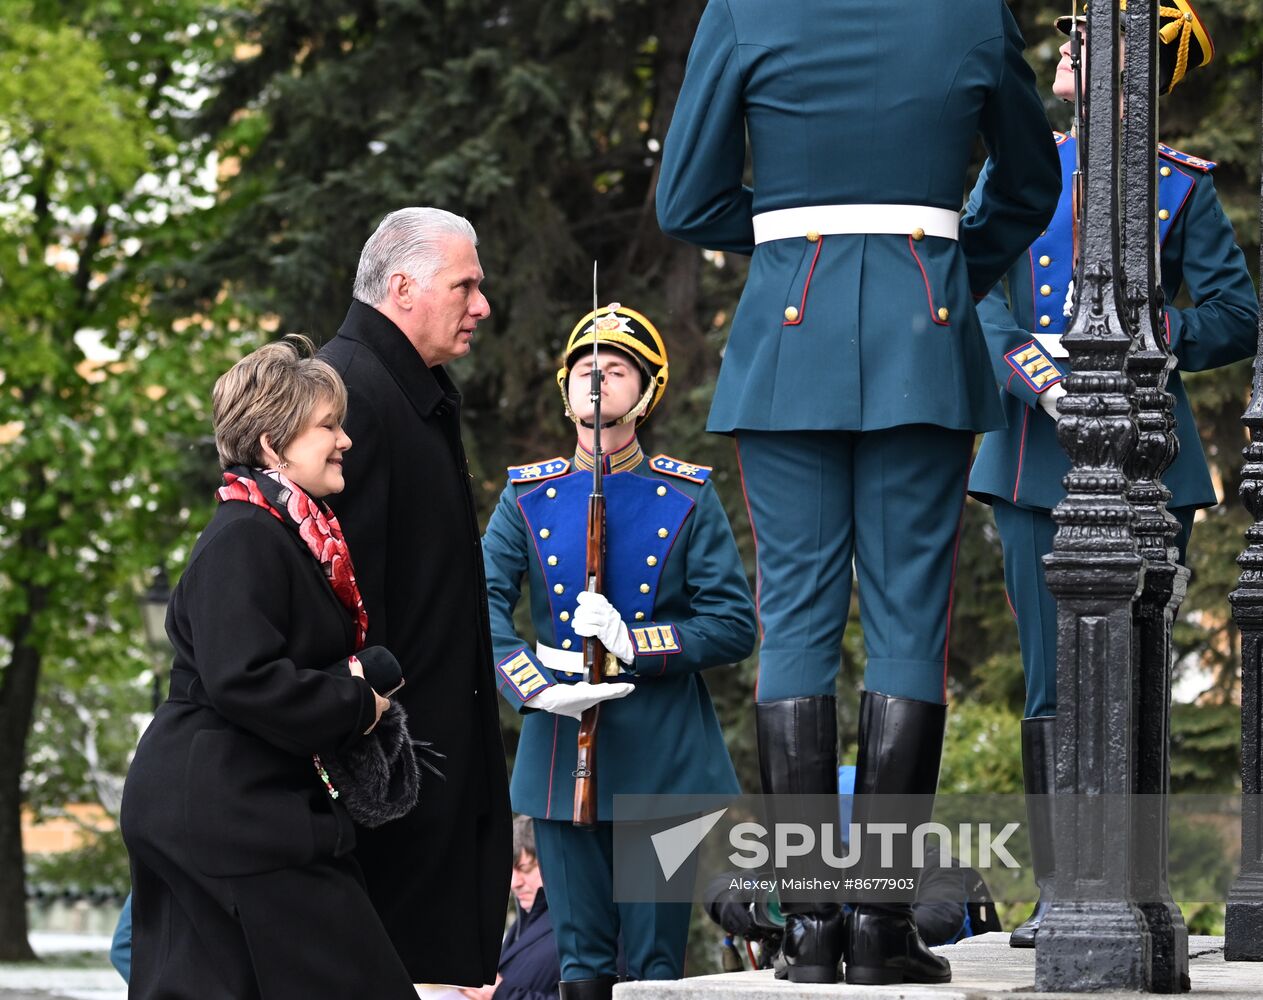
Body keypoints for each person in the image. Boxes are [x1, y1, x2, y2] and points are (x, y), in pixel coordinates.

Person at [655, 0, 1061, 986]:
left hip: (790, 335)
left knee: (794, 617)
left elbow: (686, 199)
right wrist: (947, 263)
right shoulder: (972, 15)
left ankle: (808, 929)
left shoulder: (745, 11)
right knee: (910, 623)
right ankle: (881, 926)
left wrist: (804, 242)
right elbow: (1031, 177)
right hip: (925, 323)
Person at [965, 0, 1258, 949]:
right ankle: (1060, 892)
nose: (1066, 46)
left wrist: (1149, 341)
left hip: (1142, 456)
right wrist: (1043, 378)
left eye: (1091, 38)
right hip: (1032, 452)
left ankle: (1134, 886)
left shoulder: (1181, 189)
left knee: (1132, 678)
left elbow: (1231, 312)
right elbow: (978, 297)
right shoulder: (1020, 170)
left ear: (1143, 68)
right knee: (1052, 680)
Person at [119, 336, 417, 999]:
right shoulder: (247, 535)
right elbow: (242, 677)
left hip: (231, 802)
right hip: (228, 811)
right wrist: (357, 703)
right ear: (271, 446)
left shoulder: (277, 531)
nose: (345, 441)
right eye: (328, 427)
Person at [481, 305, 757, 1000]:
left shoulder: (687, 495)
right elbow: (473, 605)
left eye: (616, 369)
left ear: (649, 389)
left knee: (655, 966)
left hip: (660, 751)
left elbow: (731, 623)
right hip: (558, 738)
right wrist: (534, 688)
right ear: (564, 389)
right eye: (584, 370)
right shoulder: (527, 495)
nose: (597, 382)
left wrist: (635, 641)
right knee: (579, 962)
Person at [319, 208, 512, 986]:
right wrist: (377, 748)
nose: (482, 306)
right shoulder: (351, 394)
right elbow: (341, 601)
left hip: (428, 763)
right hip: (395, 782)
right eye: (465, 285)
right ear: (402, 288)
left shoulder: (409, 387)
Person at [460, 816, 562, 1000]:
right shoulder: (525, 922)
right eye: (509, 871)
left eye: (525, 867)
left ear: (552, 862)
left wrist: (501, 993)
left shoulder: (578, 925)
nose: (515, 883)